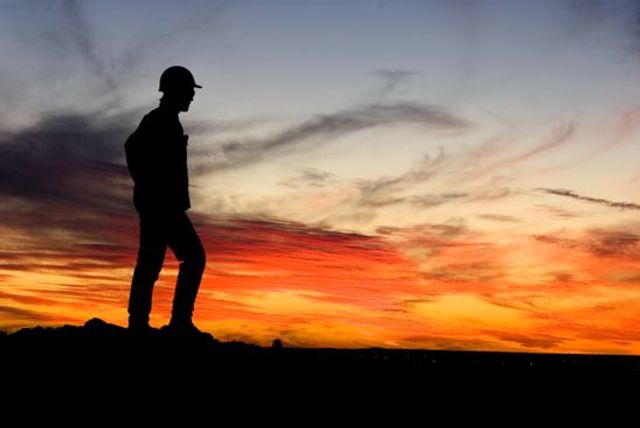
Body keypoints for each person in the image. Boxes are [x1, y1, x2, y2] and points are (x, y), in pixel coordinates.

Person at [124, 66, 206, 335]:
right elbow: (132, 148)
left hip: (161, 205)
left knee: (151, 262)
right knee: (191, 258)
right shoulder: (159, 120)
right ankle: (176, 322)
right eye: (189, 91)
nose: (192, 97)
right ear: (176, 91)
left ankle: (142, 323)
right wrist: (147, 186)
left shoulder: (168, 120)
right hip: (162, 207)